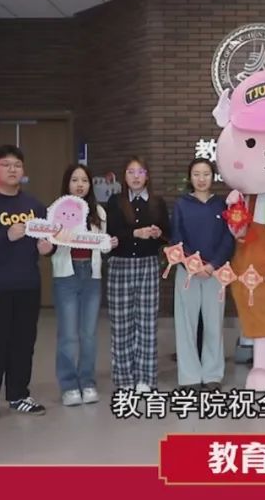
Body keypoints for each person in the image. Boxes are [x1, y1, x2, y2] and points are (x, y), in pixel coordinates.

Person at [0, 145, 50, 426]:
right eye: (5, 165)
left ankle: (18, 395)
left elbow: (48, 239)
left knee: (23, 344)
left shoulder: (35, 205)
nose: (12, 169)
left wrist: (48, 248)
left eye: (17, 165)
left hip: (27, 285)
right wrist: (5, 236)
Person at [50, 164, 116, 406]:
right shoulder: (57, 210)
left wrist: (109, 243)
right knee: (68, 334)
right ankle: (68, 385)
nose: (80, 185)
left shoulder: (98, 212)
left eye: (84, 180)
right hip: (66, 275)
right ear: (67, 183)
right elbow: (50, 244)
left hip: (91, 274)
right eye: (75, 180)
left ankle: (87, 382)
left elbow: (102, 246)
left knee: (88, 334)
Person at [169, 158, 235, 391]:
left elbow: (229, 238)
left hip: (215, 273)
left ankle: (212, 374)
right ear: (190, 177)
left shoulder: (222, 205)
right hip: (187, 273)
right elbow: (176, 237)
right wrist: (192, 265)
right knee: (186, 325)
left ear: (213, 176)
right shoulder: (182, 204)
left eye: (206, 174)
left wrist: (213, 265)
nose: (201, 179)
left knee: (213, 323)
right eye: (196, 174)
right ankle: (189, 377)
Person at [105, 157, 169, 392]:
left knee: (147, 324)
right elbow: (111, 232)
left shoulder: (157, 202)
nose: (135, 176)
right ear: (124, 176)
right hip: (120, 265)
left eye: (140, 172)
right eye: (130, 172)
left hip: (147, 265)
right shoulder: (115, 201)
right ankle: (124, 378)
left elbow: (167, 233)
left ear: (147, 176)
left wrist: (158, 233)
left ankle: (146, 377)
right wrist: (135, 233)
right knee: (121, 324)